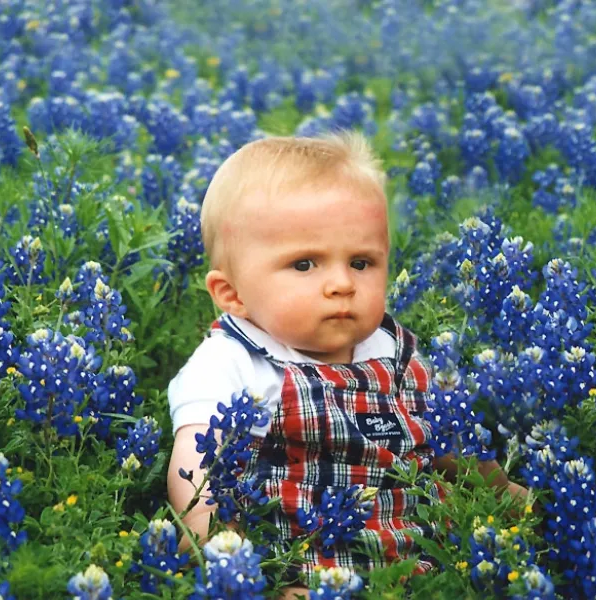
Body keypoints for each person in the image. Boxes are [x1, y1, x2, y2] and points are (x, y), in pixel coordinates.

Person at [166, 131, 530, 599]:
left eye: (361, 262)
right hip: (295, 569)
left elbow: (446, 440)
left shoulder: (397, 355)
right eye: (304, 265)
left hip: (417, 565)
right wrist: (215, 541)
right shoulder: (232, 360)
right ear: (232, 295)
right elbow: (200, 461)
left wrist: (503, 491)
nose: (341, 283)